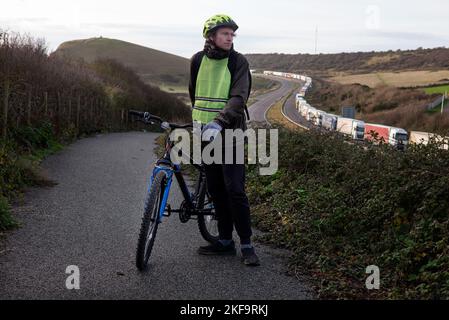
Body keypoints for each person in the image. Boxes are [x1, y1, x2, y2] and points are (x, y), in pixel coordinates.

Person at [188, 14, 260, 266]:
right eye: (225, 33)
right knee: (216, 188)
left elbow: (239, 98)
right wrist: (200, 123)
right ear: (211, 36)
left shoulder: (238, 61)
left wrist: (220, 122)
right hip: (205, 134)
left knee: (235, 189)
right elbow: (194, 93)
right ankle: (226, 241)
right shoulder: (197, 60)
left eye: (232, 34)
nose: (230, 38)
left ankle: (248, 245)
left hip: (231, 134)